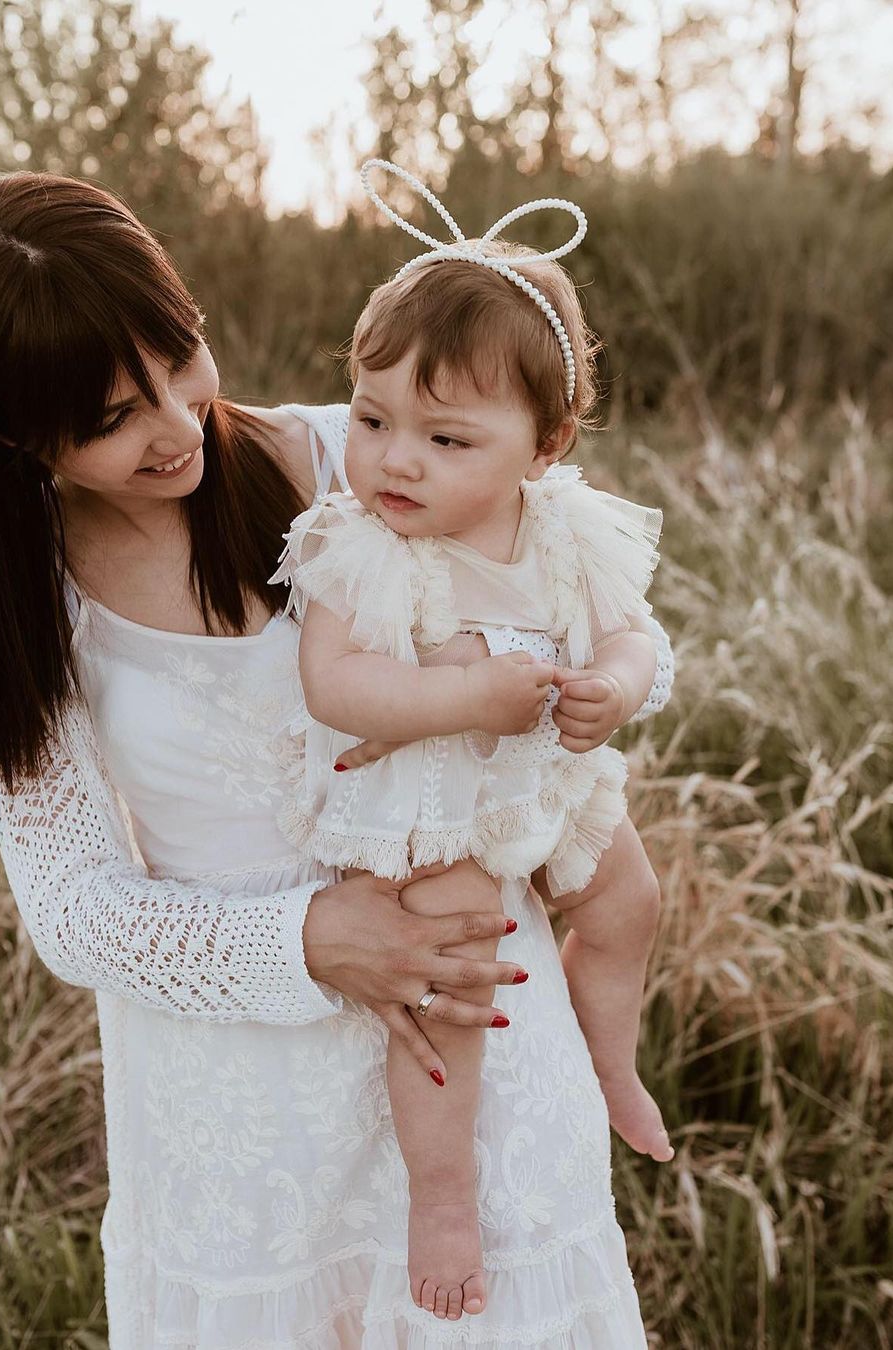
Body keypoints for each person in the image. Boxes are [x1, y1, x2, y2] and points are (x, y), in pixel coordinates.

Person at [0, 169, 672, 1347]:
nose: (176, 427)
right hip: (242, 1117)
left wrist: (546, 689)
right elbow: (73, 910)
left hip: (480, 1042)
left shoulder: (348, 462)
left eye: (181, 359)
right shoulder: (4, 593)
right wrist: (312, 940)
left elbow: (591, 617)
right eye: (110, 419)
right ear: (6, 428)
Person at [272, 159, 675, 1323]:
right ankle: (441, 1195)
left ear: (543, 445)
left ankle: (610, 1057)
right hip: (430, 804)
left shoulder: (565, 530)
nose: (396, 458)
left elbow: (636, 636)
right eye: (371, 419)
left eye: (446, 438)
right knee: (455, 965)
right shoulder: (358, 544)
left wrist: (611, 686)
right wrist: (466, 698)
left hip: (546, 780)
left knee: (629, 899)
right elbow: (335, 684)